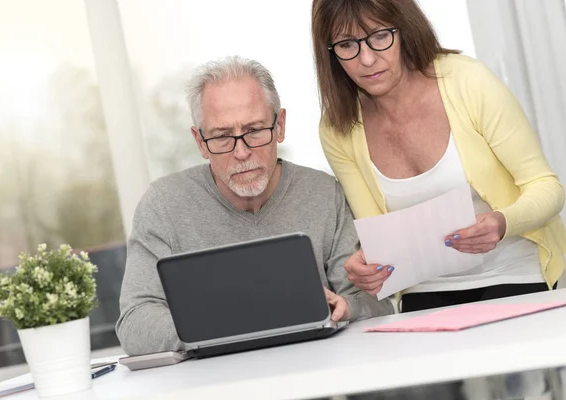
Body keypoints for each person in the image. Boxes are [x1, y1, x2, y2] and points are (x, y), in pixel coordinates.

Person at [116, 56, 393, 356]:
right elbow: (135, 323)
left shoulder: (324, 193)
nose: (242, 152)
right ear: (199, 141)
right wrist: (231, 326)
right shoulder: (163, 205)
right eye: (221, 137)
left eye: (254, 131)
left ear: (280, 126)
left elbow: (375, 302)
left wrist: (348, 307)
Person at [311, 0, 566, 312]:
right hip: (425, 289)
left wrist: (503, 222)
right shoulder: (338, 127)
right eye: (347, 44)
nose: (366, 59)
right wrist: (366, 265)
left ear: (404, 29)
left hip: (514, 272)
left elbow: (547, 187)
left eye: (379, 36)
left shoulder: (469, 81)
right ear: (330, 53)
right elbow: (376, 232)